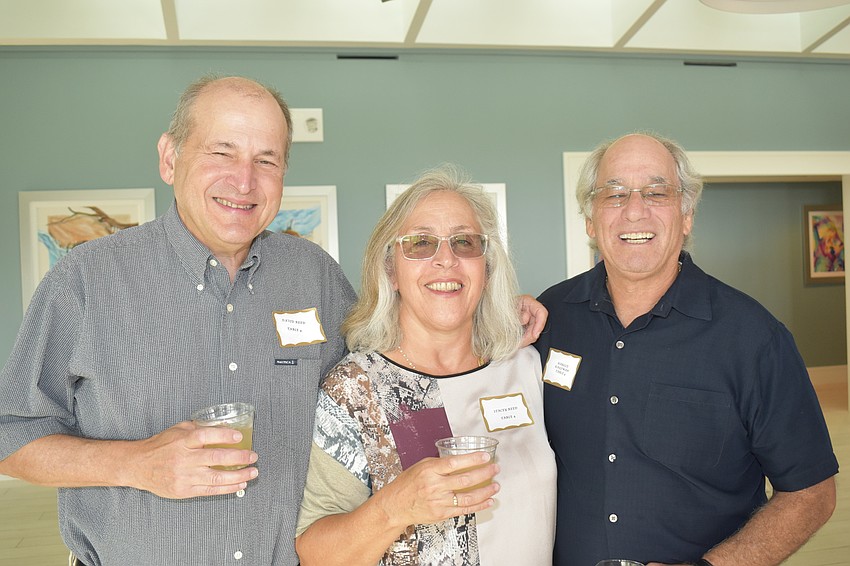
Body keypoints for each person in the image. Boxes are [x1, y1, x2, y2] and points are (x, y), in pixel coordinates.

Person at [0, 76, 546, 566]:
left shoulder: (315, 277)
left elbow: (395, 348)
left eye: (266, 160)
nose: (244, 181)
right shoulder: (86, 282)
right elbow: (10, 434)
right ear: (169, 158)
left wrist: (490, 306)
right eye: (222, 152)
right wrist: (135, 464)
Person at [535, 132, 839, 566]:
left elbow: (812, 492)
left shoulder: (753, 338)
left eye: (656, 193)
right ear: (590, 219)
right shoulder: (550, 318)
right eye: (614, 194)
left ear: (687, 215)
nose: (634, 210)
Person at [294, 167, 556, 565]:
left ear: (487, 268)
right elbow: (315, 552)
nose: (446, 260)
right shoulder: (356, 389)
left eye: (464, 242)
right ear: (390, 271)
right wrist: (393, 509)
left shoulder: (524, 365)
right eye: (420, 243)